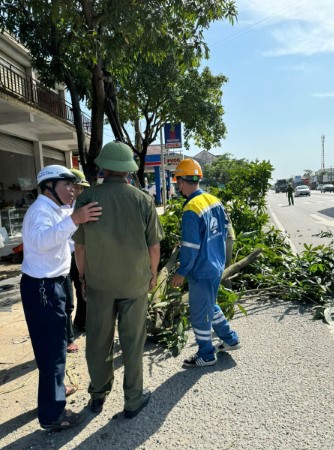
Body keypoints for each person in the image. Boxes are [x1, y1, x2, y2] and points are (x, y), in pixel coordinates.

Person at [72, 141, 163, 418]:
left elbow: (81, 248)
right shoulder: (142, 199)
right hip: (135, 283)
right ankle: (133, 399)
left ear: (103, 168)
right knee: (133, 342)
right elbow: (154, 247)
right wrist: (152, 274)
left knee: (98, 340)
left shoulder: (87, 199)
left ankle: (98, 394)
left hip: (100, 284)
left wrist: (84, 278)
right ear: (127, 171)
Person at [20, 165, 102, 430]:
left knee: (54, 345)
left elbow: (65, 241)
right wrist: (74, 220)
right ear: (48, 187)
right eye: (66, 184)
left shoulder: (59, 209)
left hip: (54, 282)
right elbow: (43, 241)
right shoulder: (40, 211)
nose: (72, 190)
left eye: (73, 185)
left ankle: (54, 391)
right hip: (42, 287)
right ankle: (53, 415)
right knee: (52, 350)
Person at [171, 158, 240, 368]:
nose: (178, 187)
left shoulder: (191, 208)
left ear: (182, 181)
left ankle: (206, 354)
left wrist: (182, 271)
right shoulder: (214, 200)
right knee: (210, 304)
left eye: (178, 183)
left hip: (201, 270)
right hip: (216, 265)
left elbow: (190, 246)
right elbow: (226, 230)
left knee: (199, 314)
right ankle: (230, 339)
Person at [68, 168, 90, 334]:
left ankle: (81, 322)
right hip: (62, 255)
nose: (79, 191)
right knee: (65, 296)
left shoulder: (81, 206)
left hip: (77, 254)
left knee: (81, 288)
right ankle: (66, 330)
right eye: (77, 187)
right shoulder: (58, 207)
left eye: (81, 188)